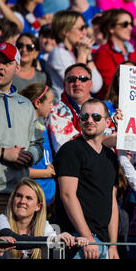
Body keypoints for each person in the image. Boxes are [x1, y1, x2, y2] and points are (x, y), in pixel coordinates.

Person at [0, 42, 44, 221]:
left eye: (6, 62)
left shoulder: (26, 104)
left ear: (17, 67)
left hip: (20, 195)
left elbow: (37, 144)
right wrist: (2, 153)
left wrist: (29, 156)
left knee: (16, 249)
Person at [53, 98, 120, 259]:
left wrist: (113, 245)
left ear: (107, 122)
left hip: (102, 241)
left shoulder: (110, 156)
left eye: (96, 117)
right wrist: (87, 237)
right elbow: (67, 195)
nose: (89, 120)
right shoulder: (70, 150)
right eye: (84, 117)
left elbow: (111, 201)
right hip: (76, 240)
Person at [0, 177, 87, 259]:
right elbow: (14, 240)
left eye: (28, 198)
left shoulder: (44, 226)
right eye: (19, 196)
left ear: (38, 206)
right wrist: (54, 239)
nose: (22, 201)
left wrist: (75, 242)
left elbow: (57, 251)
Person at [46, 10, 102, 102]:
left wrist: (88, 56)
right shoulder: (58, 53)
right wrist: (82, 55)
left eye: (85, 27)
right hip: (64, 108)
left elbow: (96, 86)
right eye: (81, 28)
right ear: (65, 31)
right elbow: (77, 81)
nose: (85, 32)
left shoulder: (76, 52)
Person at [93, 8, 136, 100]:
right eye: (125, 24)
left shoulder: (135, 52)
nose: (130, 28)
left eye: (131, 24)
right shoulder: (103, 52)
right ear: (111, 28)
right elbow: (110, 86)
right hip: (114, 105)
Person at [19, 83, 56, 205]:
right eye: (50, 102)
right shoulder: (24, 128)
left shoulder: (42, 126)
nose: (52, 106)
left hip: (48, 194)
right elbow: (20, 170)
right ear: (38, 103)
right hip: (31, 195)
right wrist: (46, 173)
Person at [46, 63, 94, 153]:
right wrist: (106, 141)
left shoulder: (103, 109)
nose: (77, 83)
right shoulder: (56, 113)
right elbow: (69, 150)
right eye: (71, 79)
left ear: (91, 84)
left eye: (83, 79)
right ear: (64, 85)